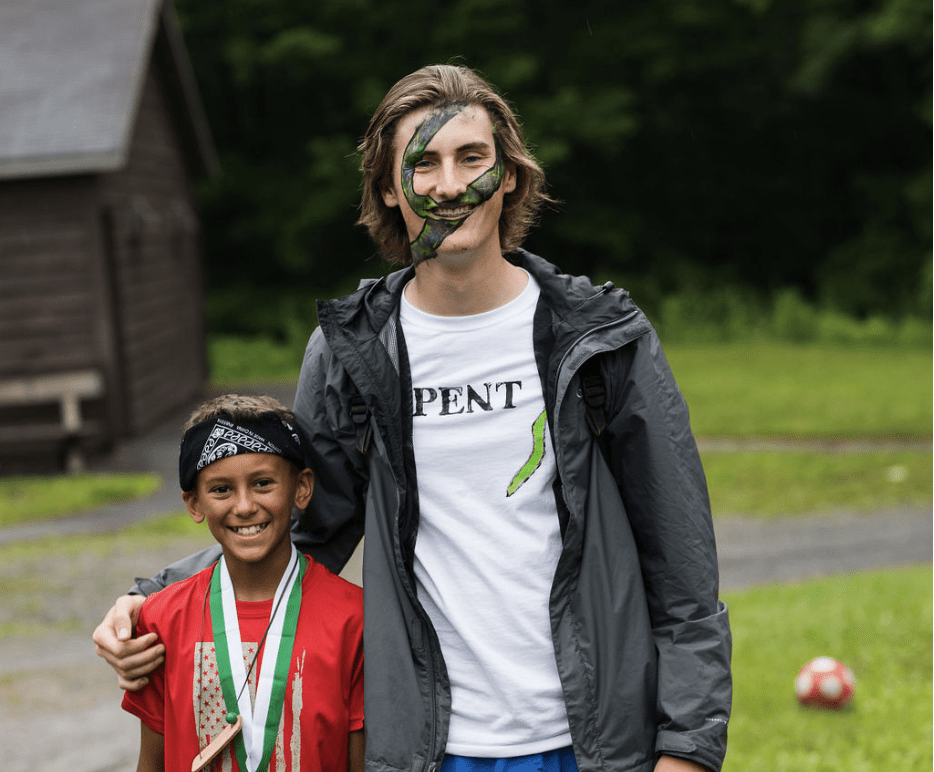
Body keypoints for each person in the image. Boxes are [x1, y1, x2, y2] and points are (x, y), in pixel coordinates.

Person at [95, 65, 732, 772]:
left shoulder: (602, 338)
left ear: (511, 175)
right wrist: (152, 597)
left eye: (471, 158)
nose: (449, 185)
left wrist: (687, 750)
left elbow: (682, 570)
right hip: (428, 749)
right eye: (422, 163)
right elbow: (302, 527)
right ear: (390, 189)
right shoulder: (353, 352)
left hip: (593, 746)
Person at [119, 394, 364, 772]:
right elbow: (151, 761)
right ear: (194, 503)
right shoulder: (160, 620)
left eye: (263, 483)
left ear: (301, 488)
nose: (245, 506)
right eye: (221, 489)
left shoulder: (355, 619)